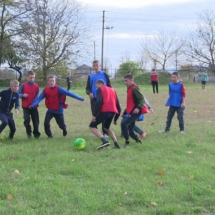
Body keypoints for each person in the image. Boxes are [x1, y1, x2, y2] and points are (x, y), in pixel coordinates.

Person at [89, 79, 121, 149]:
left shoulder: (100, 89)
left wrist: (94, 115)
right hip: (112, 112)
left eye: (96, 86)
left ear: (101, 84)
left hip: (104, 111)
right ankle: (117, 145)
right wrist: (116, 119)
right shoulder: (113, 90)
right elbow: (118, 106)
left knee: (92, 126)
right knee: (106, 128)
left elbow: (99, 101)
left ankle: (104, 141)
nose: (96, 88)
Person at [121, 74, 149, 147]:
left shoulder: (135, 88)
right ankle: (137, 141)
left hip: (136, 112)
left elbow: (142, 99)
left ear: (131, 80)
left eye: (126, 81)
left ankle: (127, 142)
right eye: (124, 81)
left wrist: (138, 108)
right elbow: (130, 103)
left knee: (124, 123)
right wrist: (124, 112)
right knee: (130, 129)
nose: (125, 82)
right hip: (132, 111)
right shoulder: (129, 88)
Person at [86, 60, 111, 136]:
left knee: (103, 115)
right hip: (94, 99)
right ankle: (95, 130)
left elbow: (109, 86)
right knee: (95, 114)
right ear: (92, 66)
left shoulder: (104, 74)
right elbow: (87, 88)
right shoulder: (90, 76)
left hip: (104, 99)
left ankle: (105, 133)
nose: (96, 67)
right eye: (94, 65)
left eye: (97, 65)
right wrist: (89, 93)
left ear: (100, 65)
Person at [19, 71, 41, 139]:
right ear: (27, 77)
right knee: (26, 120)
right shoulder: (23, 85)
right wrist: (22, 95)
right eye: (30, 77)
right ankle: (29, 133)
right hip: (26, 107)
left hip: (34, 107)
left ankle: (36, 134)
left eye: (33, 77)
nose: (32, 79)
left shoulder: (36, 86)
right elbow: (18, 94)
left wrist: (33, 104)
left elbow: (37, 96)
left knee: (36, 121)